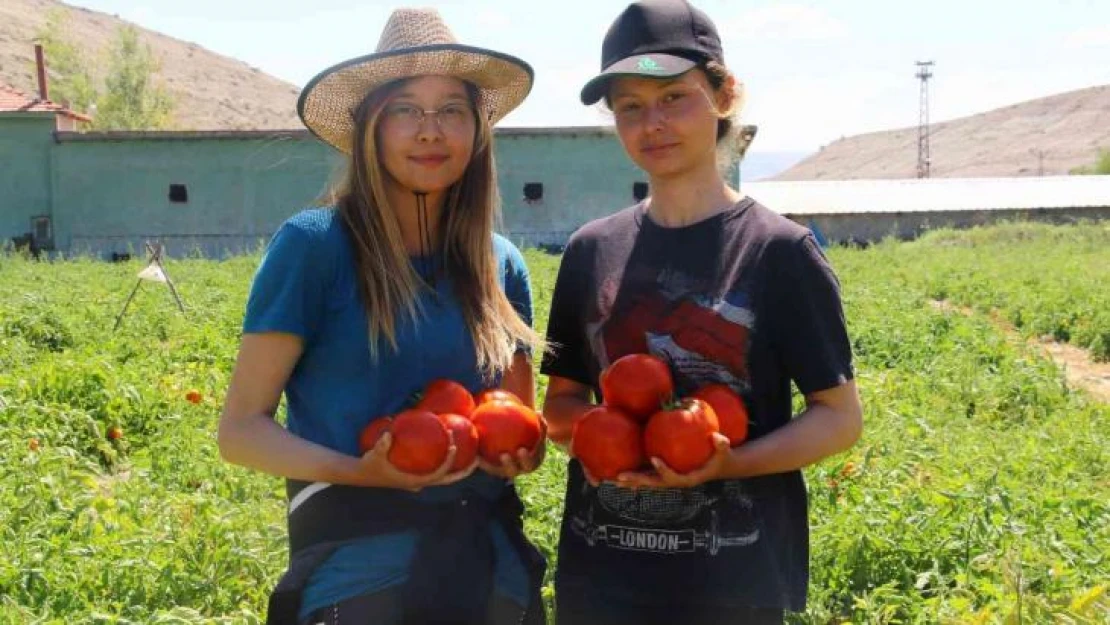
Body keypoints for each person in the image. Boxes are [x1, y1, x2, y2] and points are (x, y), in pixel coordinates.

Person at [217, 8, 547, 625]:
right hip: (357, 577)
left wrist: (521, 453)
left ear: (477, 130)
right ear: (370, 125)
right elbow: (239, 432)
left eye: (452, 108)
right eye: (406, 109)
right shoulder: (315, 246)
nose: (431, 131)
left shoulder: (501, 266)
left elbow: (517, 431)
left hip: (492, 574)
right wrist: (362, 474)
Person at [540, 1, 863, 623]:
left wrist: (726, 462)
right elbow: (560, 408)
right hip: (603, 575)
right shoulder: (590, 250)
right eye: (629, 106)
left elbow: (838, 418)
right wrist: (621, 443)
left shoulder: (780, 251)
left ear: (723, 94)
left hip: (736, 580)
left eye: (673, 98)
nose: (651, 123)